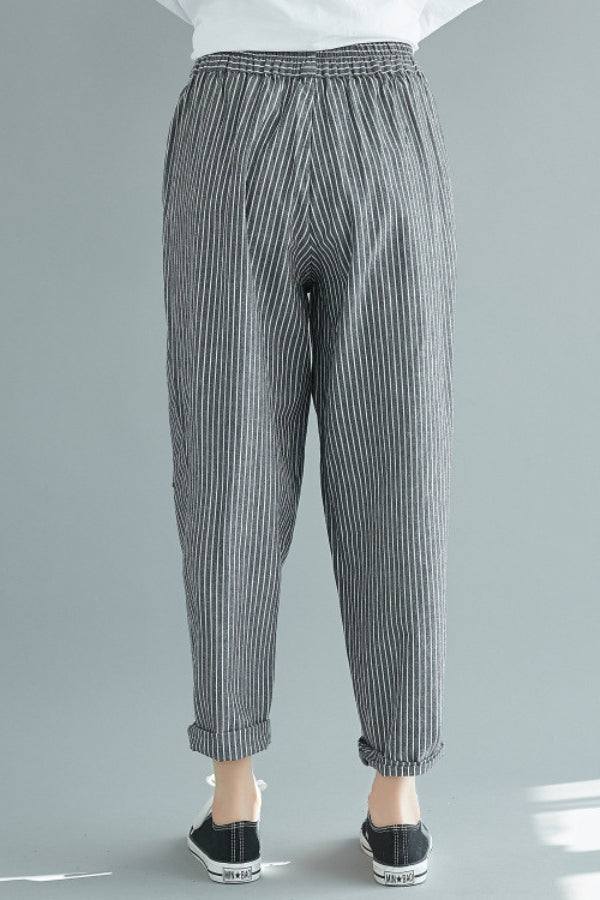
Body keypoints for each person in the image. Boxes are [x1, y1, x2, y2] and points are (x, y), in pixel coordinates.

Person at [156, 0, 483, 886]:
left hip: (230, 120)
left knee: (227, 460)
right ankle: (397, 802)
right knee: (399, 461)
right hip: (383, 110)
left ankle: (232, 804)